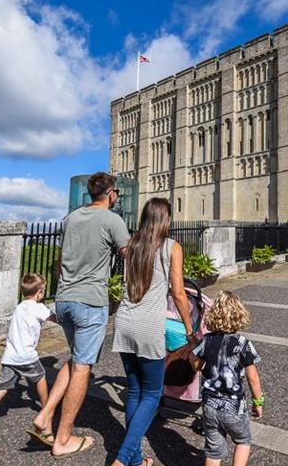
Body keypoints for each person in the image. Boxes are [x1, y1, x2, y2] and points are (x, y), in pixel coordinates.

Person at [33, 172, 131, 460]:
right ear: (111, 193)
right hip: (89, 302)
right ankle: (62, 438)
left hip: (63, 300)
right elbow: (129, 254)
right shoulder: (112, 220)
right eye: (116, 195)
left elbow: (62, 258)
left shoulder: (72, 218)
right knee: (84, 367)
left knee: (75, 359)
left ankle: (45, 415)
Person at [111, 198, 195, 466]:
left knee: (135, 392)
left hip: (124, 322)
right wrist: (189, 327)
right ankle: (122, 460)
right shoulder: (172, 247)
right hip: (148, 326)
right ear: (166, 219)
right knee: (151, 394)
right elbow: (179, 293)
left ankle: (135, 461)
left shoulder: (132, 245)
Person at [0, 274, 55, 449]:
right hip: (27, 356)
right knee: (40, 378)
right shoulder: (39, 308)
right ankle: (46, 413)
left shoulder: (19, 307)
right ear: (40, 292)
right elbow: (56, 318)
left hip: (10, 356)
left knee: (0, 390)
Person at [192, 291, 264, 466]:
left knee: (214, 450)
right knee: (243, 440)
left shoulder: (206, 341)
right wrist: (258, 402)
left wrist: (205, 364)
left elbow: (194, 363)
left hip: (209, 404)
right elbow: (252, 377)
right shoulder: (243, 343)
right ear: (239, 315)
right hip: (234, 407)